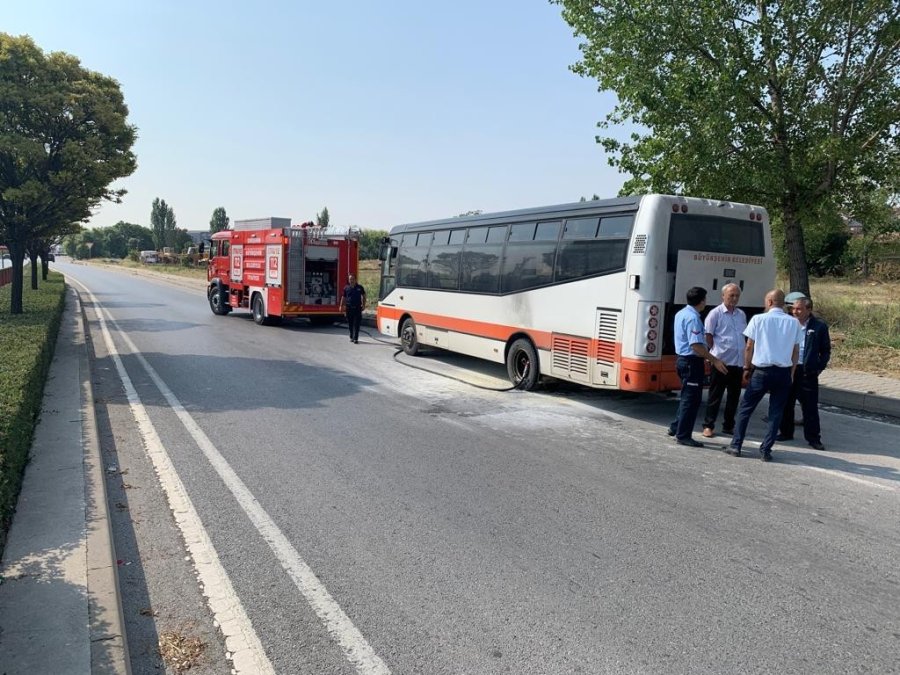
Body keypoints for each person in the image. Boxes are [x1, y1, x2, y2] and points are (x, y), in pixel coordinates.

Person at [726, 289, 803, 462]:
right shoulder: (794, 323)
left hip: (762, 371)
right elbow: (796, 351)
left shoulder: (758, 319)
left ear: (769, 302)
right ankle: (766, 450)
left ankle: (736, 445)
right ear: (783, 303)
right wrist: (791, 373)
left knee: (746, 408)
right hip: (783, 372)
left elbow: (748, 346)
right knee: (776, 412)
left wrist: (746, 367)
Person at [667, 287, 728, 447]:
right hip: (691, 362)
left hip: (682, 360)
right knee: (691, 399)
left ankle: (676, 427)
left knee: (687, 395)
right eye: (705, 299)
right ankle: (683, 435)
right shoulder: (693, 318)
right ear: (702, 301)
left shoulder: (681, 313)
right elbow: (696, 345)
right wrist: (713, 359)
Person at [777, 296, 831, 450]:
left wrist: (819, 366)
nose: (795, 311)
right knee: (786, 403)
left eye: (799, 309)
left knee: (809, 407)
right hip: (789, 368)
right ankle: (786, 432)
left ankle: (814, 438)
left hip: (807, 371)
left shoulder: (819, 326)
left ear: (809, 310)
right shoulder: (787, 323)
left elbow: (825, 350)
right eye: (793, 308)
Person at [701, 283, 747, 438]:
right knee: (715, 396)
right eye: (731, 295)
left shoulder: (741, 314)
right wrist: (714, 355)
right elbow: (708, 335)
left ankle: (728, 425)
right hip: (721, 362)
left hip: (737, 363)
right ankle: (708, 425)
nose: (734, 298)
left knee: (734, 397)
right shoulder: (715, 313)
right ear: (723, 296)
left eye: (736, 296)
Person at [339, 274, 367, 344]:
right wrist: (341, 306)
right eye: (350, 279)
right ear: (349, 280)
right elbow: (343, 297)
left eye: (353, 279)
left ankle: (356, 338)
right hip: (349, 308)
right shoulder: (346, 288)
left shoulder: (360, 287)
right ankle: (352, 335)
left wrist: (363, 305)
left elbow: (364, 295)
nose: (351, 280)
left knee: (357, 324)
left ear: (355, 280)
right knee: (350, 323)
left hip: (357, 308)